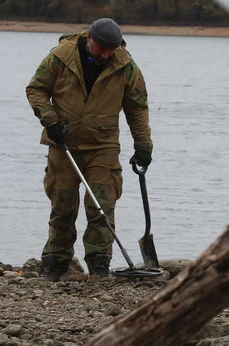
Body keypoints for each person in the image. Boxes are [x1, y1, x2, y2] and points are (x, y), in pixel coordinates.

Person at [26, 18, 153, 281]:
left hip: (103, 145)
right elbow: (36, 89)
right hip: (63, 143)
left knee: (102, 206)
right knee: (63, 206)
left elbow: (137, 107)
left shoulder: (125, 65)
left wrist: (143, 144)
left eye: (112, 49)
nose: (107, 54)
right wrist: (50, 120)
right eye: (103, 48)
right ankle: (55, 264)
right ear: (89, 40)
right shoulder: (61, 57)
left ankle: (99, 265)